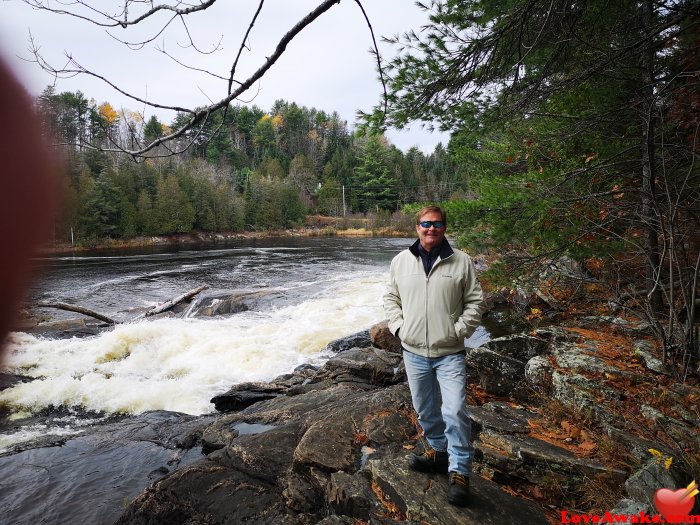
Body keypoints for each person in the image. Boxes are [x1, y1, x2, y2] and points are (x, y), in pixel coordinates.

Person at [383, 205, 486, 507]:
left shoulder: (461, 261)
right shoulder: (401, 261)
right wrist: (400, 328)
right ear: (417, 227)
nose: (431, 229)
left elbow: (475, 302)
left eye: (437, 224)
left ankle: (460, 472)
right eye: (426, 224)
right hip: (413, 351)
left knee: (454, 411)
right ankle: (438, 452)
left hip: (449, 352)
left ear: (444, 228)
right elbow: (391, 297)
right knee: (426, 410)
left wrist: (459, 330)